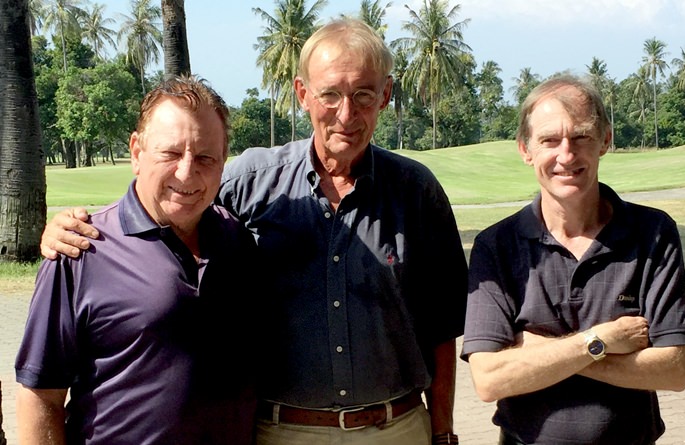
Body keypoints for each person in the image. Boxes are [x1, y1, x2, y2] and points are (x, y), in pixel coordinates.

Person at [39, 18, 468, 445]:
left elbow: (441, 328)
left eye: (363, 95)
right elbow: (173, 197)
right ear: (303, 94)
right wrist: (77, 228)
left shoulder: (417, 191)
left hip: (395, 428)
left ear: (386, 95)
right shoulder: (251, 181)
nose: (346, 114)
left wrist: (444, 430)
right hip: (280, 431)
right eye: (330, 95)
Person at [17, 75, 260, 445]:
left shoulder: (237, 240)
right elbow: (40, 394)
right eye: (171, 153)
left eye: (206, 157)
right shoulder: (81, 250)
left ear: (224, 161)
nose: (187, 172)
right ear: (136, 152)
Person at [461, 74, 685, 445]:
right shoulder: (496, 245)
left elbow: (674, 370)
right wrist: (599, 340)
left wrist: (541, 353)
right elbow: (490, 380)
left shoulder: (652, 232)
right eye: (550, 140)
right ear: (526, 149)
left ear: (606, 140)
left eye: (581, 137)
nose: (566, 155)